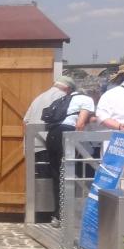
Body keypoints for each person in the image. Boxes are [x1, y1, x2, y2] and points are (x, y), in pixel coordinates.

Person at [43, 76, 94, 223]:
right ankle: (72, 216)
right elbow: (80, 124)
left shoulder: (62, 100)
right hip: (66, 135)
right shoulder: (86, 99)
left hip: (52, 135)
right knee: (71, 174)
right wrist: (79, 143)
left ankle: (57, 215)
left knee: (56, 174)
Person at [25, 78, 72, 203]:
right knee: (55, 179)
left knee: (41, 178)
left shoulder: (39, 97)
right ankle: (54, 213)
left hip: (35, 144)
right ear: (68, 89)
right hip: (51, 144)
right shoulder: (64, 97)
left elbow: (26, 121)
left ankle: (41, 213)